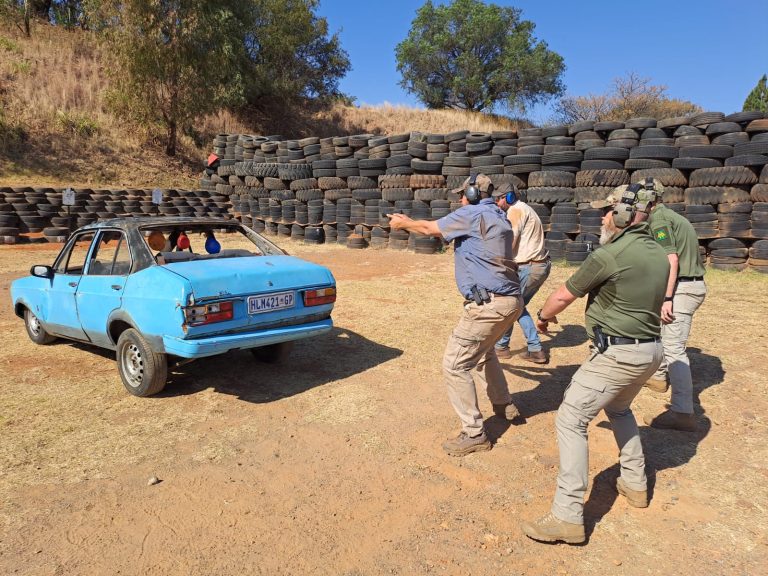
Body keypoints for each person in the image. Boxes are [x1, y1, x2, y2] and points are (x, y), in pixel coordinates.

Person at [520, 185, 670, 545]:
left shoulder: (611, 254)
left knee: (571, 419)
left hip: (617, 355)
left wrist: (541, 318)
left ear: (622, 215)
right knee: (619, 410)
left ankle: (567, 516)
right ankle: (635, 484)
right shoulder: (659, 251)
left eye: (607, 211)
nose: (602, 217)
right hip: (650, 352)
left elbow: (562, 295)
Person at [388, 174, 524, 456]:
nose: (460, 199)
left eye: (463, 194)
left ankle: (474, 433)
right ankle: (503, 404)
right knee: (485, 353)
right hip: (511, 301)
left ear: (473, 193)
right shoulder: (500, 216)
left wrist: (404, 223)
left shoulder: (472, 213)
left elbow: (428, 229)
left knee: (455, 364)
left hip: (489, 305)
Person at [637, 178, 707, 432]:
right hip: (687, 285)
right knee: (661, 334)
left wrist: (667, 298)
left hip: (682, 289)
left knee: (674, 348)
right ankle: (657, 378)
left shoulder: (659, 221)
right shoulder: (668, 215)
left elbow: (671, 259)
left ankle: (682, 412)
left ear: (648, 200)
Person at [492, 183, 551, 363]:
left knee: (516, 306)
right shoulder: (525, 209)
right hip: (537, 266)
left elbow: (510, 241)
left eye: (499, 198)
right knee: (515, 304)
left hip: (529, 267)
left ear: (508, 197)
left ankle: (535, 349)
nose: (496, 202)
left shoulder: (515, 211)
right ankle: (502, 347)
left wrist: (498, 264)